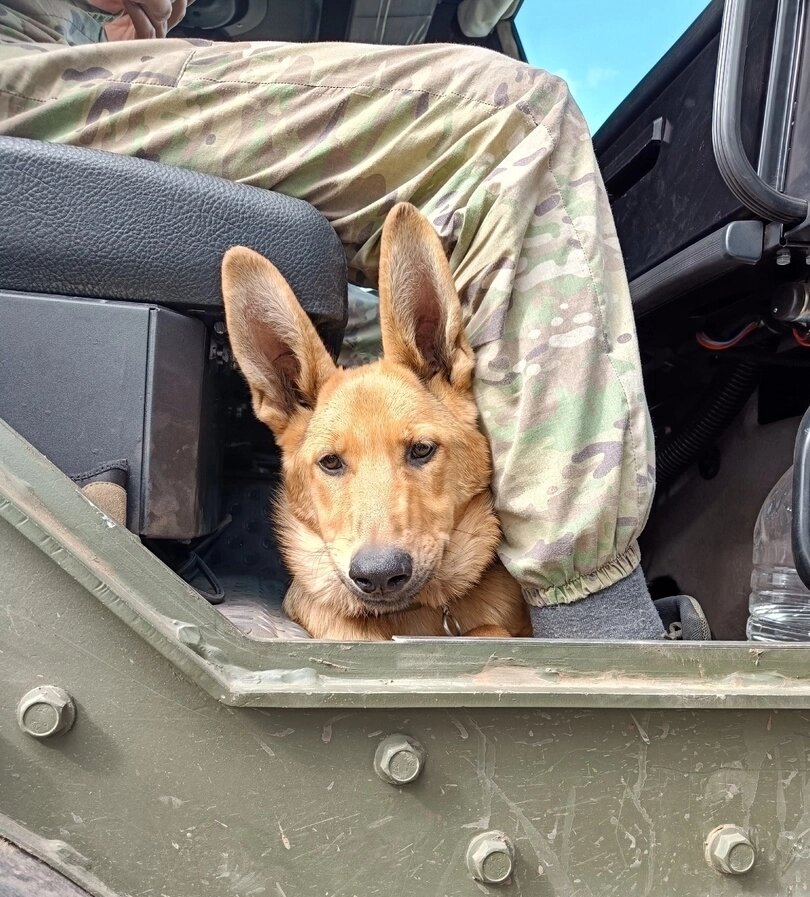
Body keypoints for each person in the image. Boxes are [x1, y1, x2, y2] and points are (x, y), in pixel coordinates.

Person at [0, 0, 665, 639]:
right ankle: (603, 637)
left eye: (420, 450)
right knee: (519, 121)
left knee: (370, 316)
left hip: (60, 46)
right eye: (334, 462)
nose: (377, 552)